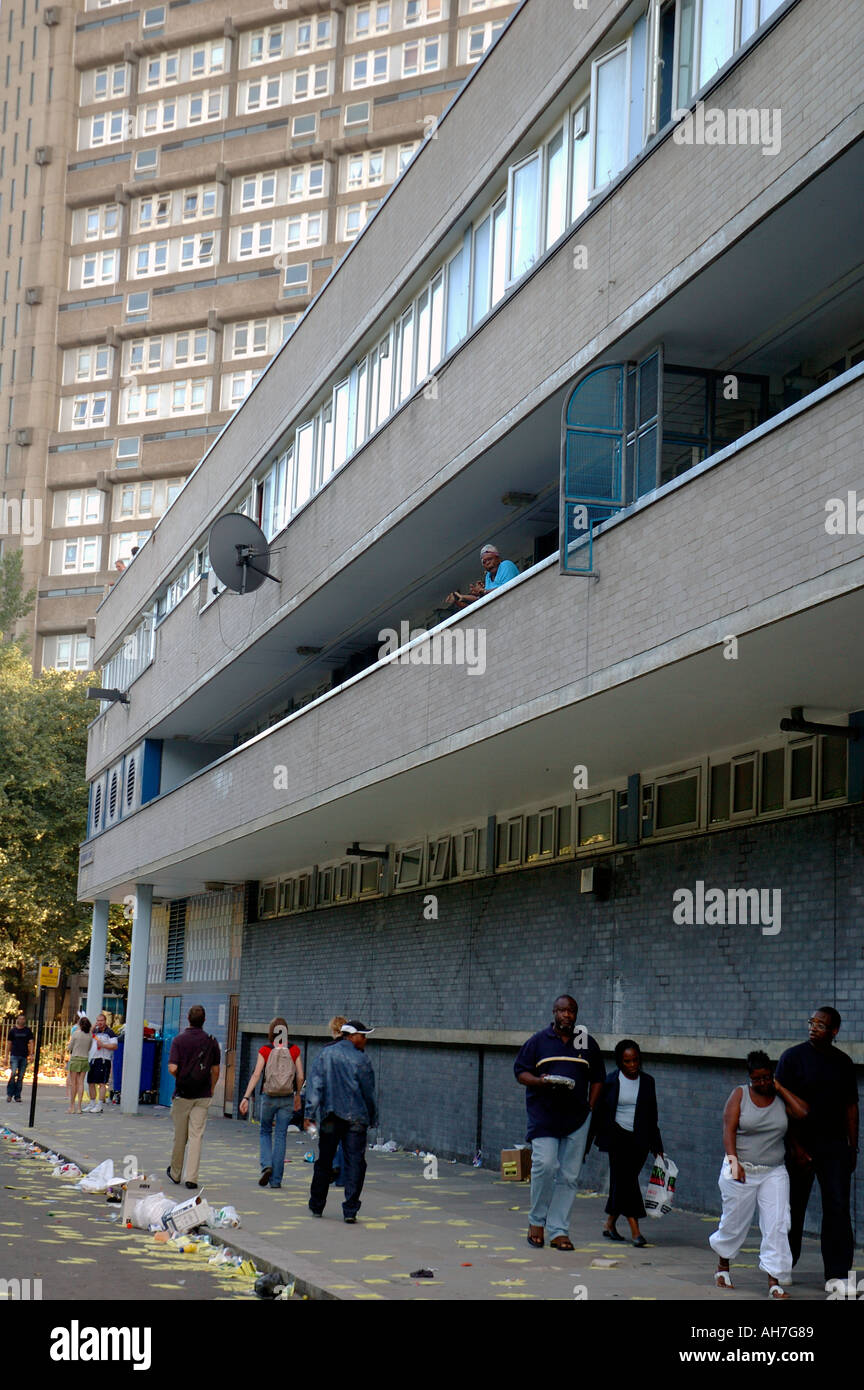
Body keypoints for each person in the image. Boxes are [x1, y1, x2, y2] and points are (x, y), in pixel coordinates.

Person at [709, 1050, 809, 1299]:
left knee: (777, 1224)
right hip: (740, 1168)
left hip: (773, 1170)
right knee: (734, 1222)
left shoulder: (779, 1096)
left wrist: (779, 1087)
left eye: (766, 1077)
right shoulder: (739, 1095)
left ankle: (774, 1281)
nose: (762, 1083)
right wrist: (734, 1162)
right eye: (757, 1079)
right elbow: (728, 1130)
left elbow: (803, 1113)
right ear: (749, 1077)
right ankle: (723, 1267)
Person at [775, 1007, 859, 1291]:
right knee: (792, 1208)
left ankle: (836, 1275)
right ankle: (783, 1267)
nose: (813, 1027)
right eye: (811, 1022)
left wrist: (853, 1147)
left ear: (834, 1031)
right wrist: (794, 1146)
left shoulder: (843, 1063)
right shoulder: (792, 1058)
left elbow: (851, 1107)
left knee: (837, 1208)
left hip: (834, 1146)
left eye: (821, 1025)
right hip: (798, 1145)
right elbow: (779, 1107)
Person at [514, 995, 605, 1251]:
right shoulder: (538, 1041)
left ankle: (559, 1231)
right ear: (554, 1012)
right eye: (562, 1010)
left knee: (569, 1175)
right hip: (544, 1116)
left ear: (576, 1015)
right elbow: (520, 1072)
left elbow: (598, 1077)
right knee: (544, 1165)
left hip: (577, 1118)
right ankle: (536, 1222)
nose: (567, 1015)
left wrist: (590, 1106)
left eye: (571, 1011)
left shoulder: (586, 1043)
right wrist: (540, 1081)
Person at [590, 1039, 663, 1247]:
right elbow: (600, 1112)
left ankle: (609, 1224)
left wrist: (658, 1148)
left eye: (635, 1060)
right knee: (628, 1182)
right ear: (620, 1062)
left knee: (622, 1183)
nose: (632, 1065)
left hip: (640, 1140)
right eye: (627, 1061)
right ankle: (635, 1231)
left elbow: (652, 1116)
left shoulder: (648, 1081)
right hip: (617, 1138)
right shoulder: (611, 1081)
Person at [304, 1020, 377, 1223]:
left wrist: (309, 1113)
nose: (365, 1040)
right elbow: (368, 1092)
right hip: (356, 1119)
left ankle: (317, 1204)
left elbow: (316, 1086)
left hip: (330, 1117)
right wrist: (372, 1116)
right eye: (363, 1036)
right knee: (355, 1162)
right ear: (352, 1036)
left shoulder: (325, 1054)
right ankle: (350, 1209)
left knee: (324, 1160)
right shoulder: (361, 1059)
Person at [239, 1018, 304, 1189]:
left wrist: (246, 1097)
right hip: (287, 1097)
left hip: (268, 1097)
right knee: (281, 1135)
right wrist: (297, 1095)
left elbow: (256, 1074)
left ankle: (266, 1165)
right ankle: (276, 1180)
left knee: (265, 1131)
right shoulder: (294, 1050)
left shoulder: (265, 1050)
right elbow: (301, 1076)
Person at [166, 1005, 221, 1190]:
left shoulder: (179, 1041)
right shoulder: (211, 1041)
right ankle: (192, 1178)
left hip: (182, 1095)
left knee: (180, 1136)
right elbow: (215, 1070)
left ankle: (175, 1173)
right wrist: (211, 1088)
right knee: (197, 1135)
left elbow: (172, 1068)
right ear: (204, 1020)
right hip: (203, 1095)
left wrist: (182, 1078)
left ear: (188, 1019)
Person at [445, 544, 519, 609]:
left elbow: (507, 589)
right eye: (484, 562)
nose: (487, 563)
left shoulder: (506, 565)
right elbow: (478, 602)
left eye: (490, 559)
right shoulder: (488, 577)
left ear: (498, 558)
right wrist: (457, 600)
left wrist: (483, 591)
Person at [84, 1012, 118, 1113]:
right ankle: (92, 1103)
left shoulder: (110, 1032)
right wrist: (94, 1026)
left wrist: (103, 1045)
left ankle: (99, 1105)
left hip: (104, 1059)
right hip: (94, 1059)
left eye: (101, 1021)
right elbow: (88, 1034)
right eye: (98, 1020)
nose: (100, 1022)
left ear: (105, 1021)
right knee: (90, 1082)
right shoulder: (96, 1031)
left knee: (102, 1083)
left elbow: (115, 1046)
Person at [4, 1013, 34, 1104]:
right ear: (17, 1020)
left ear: (25, 1020)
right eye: (20, 1019)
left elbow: (31, 1042)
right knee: (13, 1074)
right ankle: (9, 1094)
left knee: (20, 1076)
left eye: (23, 1019)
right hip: (14, 1055)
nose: (21, 1020)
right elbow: (9, 1043)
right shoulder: (13, 1031)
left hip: (24, 1056)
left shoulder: (27, 1031)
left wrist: (31, 1054)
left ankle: (17, 1096)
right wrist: (6, 1056)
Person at [66, 1016, 92, 1114]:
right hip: (84, 1059)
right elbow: (89, 1048)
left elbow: (70, 1047)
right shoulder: (90, 1035)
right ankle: (79, 1107)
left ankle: (72, 1107)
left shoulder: (76, 1034)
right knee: (81, 1083)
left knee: (74, 1084)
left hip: (75, 1058)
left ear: (80, 1024)